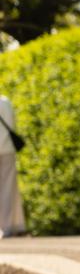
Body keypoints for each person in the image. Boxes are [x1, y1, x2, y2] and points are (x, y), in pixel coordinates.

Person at [0, 95, 26, 237]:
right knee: (8, 188)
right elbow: (12, 124)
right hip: (7, 149)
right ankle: (9, 226)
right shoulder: (5, 102)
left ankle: (5, 226)